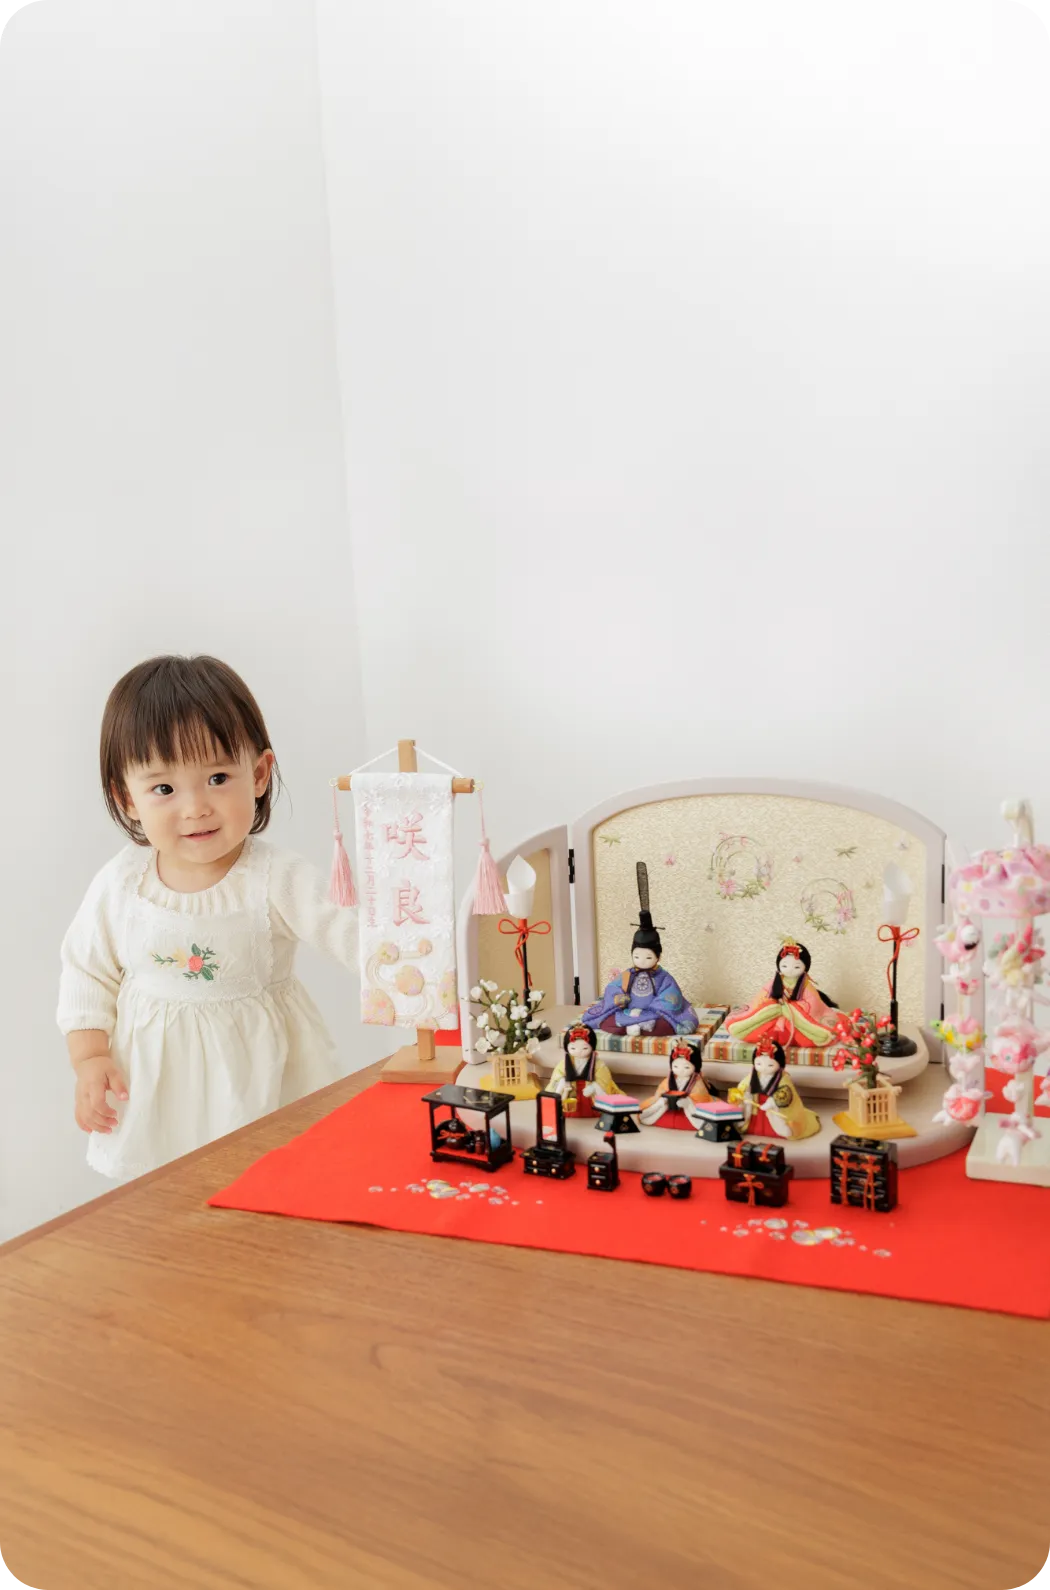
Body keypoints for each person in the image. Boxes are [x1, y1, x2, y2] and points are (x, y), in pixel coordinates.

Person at [57, 654, 358, 1181]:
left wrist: (413, 973)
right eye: (164, 789)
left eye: (218, 777)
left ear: (259, 774)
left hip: (260, 1078)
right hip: (155, 1085)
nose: (195, 807)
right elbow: (87, 970)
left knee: (270, 1181)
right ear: (127, 798)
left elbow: (349, 932)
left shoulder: (275, 877)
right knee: (164, 1193)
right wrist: (89, 1058)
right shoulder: (122, 882)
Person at [583, 905, 698, 1037]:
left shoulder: (663, 977)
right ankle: (638, 1026)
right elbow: (613, 988)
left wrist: (651, 1010)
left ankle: (629, 1026)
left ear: (658, 957)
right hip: (627, 1012)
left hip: (653, 1014)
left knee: (668, 1023)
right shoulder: (628, 974)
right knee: (605, 1020)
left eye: (648, 957)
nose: (642, 961)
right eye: (637, 957)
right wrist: (619, 997)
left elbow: (671, 995)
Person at [726, 939, 838, 1048]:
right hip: (772, 1017)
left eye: (797, 967)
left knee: (821, 1034)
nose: (790, 970)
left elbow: (812, 1004)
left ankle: (820, 1035)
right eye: (784, 966)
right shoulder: (773, 983)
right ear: (779, 966)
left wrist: (789, 1009)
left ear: (805, 968)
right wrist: (774, 1007)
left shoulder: (806, 987)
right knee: (752, 1021)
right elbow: (760, 1000)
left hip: (796, 1022)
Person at [728, 1038, 821, 1140]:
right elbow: (743, 1086)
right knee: (754, 1121)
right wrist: (744, 1095)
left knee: (778, 1121)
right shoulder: (752, 1075)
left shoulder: (783, 1078)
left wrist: (772, 1102)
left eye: (770, 1065)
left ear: (779, 1064)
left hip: (773, 1108)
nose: (764, 1068)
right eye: (759, 1064)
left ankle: (780, 1130)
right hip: (756, 1106)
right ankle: (753, 1128)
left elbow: (785, 1092)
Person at [546, 1024, 621, 1118]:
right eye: (573, 1048)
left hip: (589, 1094)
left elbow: (604, 1079)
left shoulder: (598, 1064)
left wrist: (594, 1087)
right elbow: (556, 1077)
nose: (579, 1051)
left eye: (585, 1048)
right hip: (571, 1092)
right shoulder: (564, 1063)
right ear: (566, 1047)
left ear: (592, 1047)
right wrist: (562, 1082)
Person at [639, 1041, 716, 1130]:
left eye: (686, 1067)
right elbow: (659, 1092)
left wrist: (688, 1103)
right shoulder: (668, 1079)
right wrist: (662, 1098)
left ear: (695, 1067)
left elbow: (701, 1098)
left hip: (687, 1110)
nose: (680, 1070)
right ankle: (662, 1106)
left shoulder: (697, 1082)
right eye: (675, 1066)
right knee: (654, 1106)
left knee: (704, 1118)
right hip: (668, 1108)